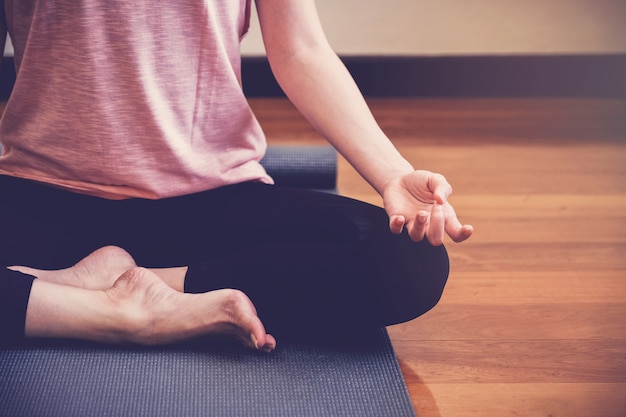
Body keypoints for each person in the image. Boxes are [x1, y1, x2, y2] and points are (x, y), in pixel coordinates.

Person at [0, 0, 473, 353]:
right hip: (44, 197)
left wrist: (392, 175)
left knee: (409, 263)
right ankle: (115, 310)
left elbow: (301, 51)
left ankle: (121, 286)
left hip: (208, 201)